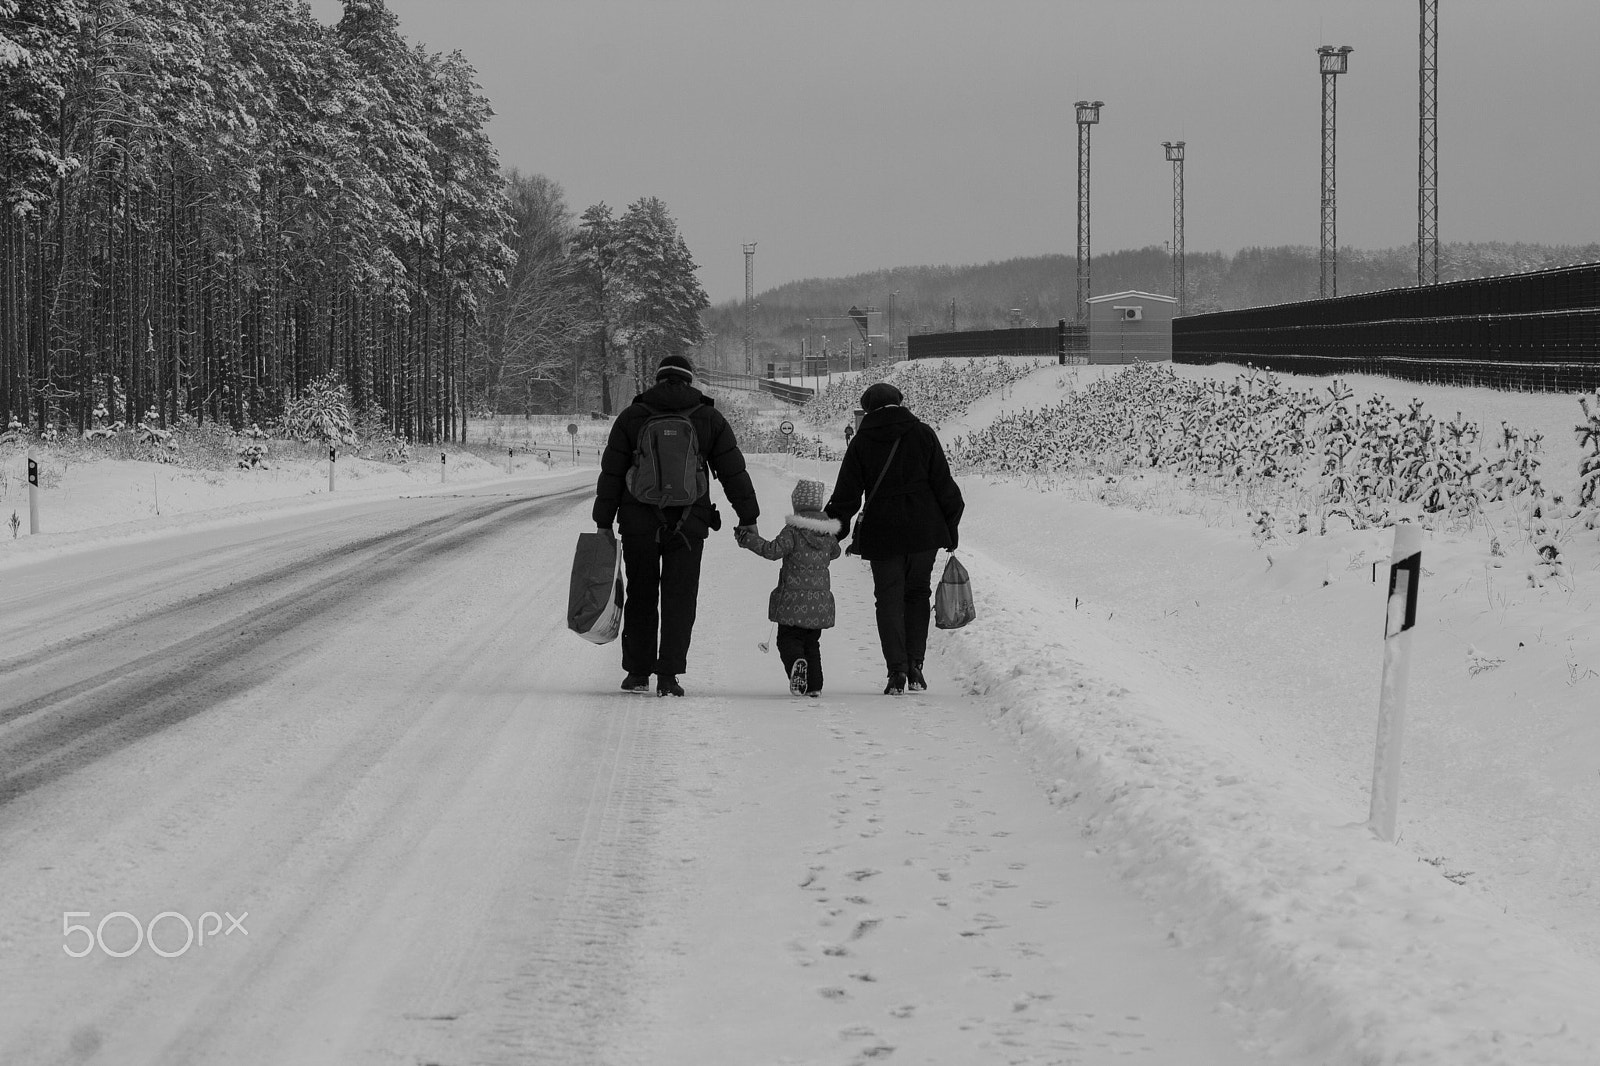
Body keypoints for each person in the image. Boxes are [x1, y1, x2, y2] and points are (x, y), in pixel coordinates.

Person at [594, 354, 760, 697]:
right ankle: (668, 675)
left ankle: (638, 672)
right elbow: (732, 471)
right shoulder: (708, 417)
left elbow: (611, 473)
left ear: (657, 379)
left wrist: (603, 522)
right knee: (680, 597)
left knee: (641, 594)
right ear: (689, 380)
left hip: (639, 521)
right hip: (690, 523)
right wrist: (749, 517)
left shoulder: (632, 416)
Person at [825, 382, 964, 695]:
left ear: (869, 409)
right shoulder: (923, 433)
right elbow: (945, 486)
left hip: (883, 530)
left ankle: (896, 671)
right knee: (917, 593)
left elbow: (846, 495)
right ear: (899, 402)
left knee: (888, 599)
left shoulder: (861, 441)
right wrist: (950, 528)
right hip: (924, 529)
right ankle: (915, 665)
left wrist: (832, 531)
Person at [736, 478, 842, 698]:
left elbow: (772, 551)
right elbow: (836, 552)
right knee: (812, 643)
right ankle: (814, 685)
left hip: (792, 603)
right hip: (819, 605)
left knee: (788, 640)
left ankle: (796, 663)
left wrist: (748, 540)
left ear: (797, 505)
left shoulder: (792, 532)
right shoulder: (827, 535)